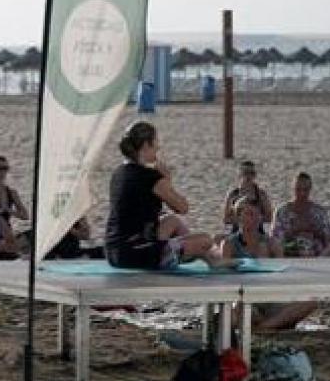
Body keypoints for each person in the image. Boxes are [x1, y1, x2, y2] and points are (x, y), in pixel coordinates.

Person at [105, 121, 226, 270]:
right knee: (205, 240)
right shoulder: (150, 177)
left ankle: (210, 258)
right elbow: (183, 207)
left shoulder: (119, 172)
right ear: (145, 145)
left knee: (172, 221)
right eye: (155, 141)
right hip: (136, 254)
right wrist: (167, 179)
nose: (158, 146)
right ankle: (210, 257)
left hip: (113, 251)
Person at [220, 198, 316, 330]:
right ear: (239, 217)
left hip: (270, 298)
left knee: (310, 302)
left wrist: (265, 262)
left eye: (256, 214)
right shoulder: (229, 244)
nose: (253, 219)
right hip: (244, 297)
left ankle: (264, 326)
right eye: (248, 214)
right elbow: (224, 276)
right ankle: (272, 323)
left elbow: (282, 275)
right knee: (235, 313)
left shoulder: (271, 243)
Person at [272, 171, 330, 257]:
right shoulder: (282, 211)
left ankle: (318, 263)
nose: (302, 194)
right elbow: (275, 238)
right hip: (291, 248)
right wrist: (294, 230)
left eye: (305, 190)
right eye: (298, 190)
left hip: (316, 249)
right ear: (293, 189)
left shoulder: (318, 211)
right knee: (275, 244)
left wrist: (314, 230)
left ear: (310, 189)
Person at [221, 160, 274, 234]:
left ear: (255, 175)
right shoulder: (233, 194)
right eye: (245, 173)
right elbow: (226, 219)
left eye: (251, 173)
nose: (248, 176)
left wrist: (254, 219)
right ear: (240, 175)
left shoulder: (261, 194)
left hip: (257, 232)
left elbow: (270, 217)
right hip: (237, 232)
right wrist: (242, 220)